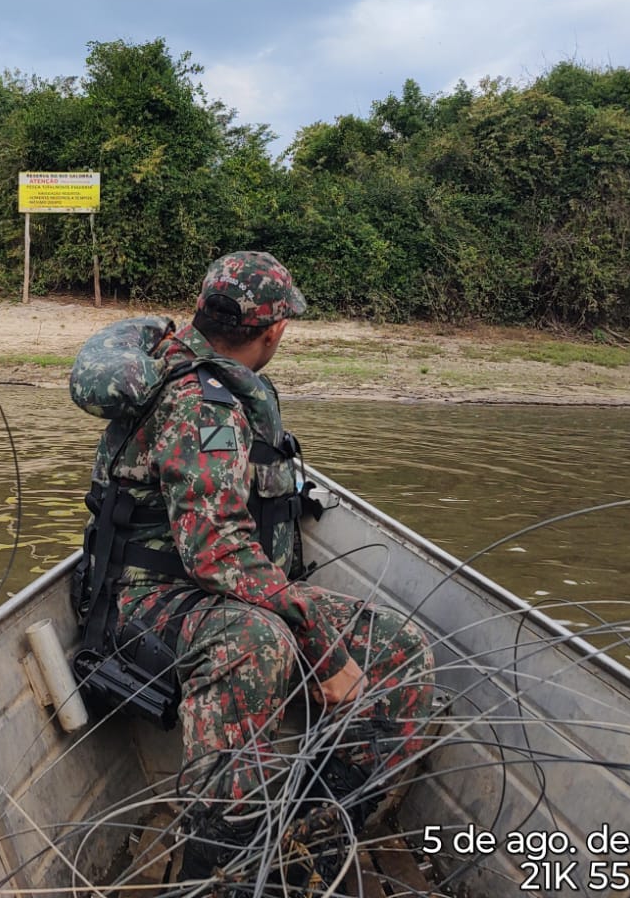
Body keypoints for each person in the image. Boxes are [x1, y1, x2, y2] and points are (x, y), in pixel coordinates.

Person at [70, 251, 434, 883]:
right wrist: (318, 646)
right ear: (275, 332)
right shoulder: (201, 407)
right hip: (146, 601)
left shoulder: (211, 377)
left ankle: (306, 837)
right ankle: (215, 866)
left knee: (400, 651)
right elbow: (215, 552)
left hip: (217, 589)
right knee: (254, 642)